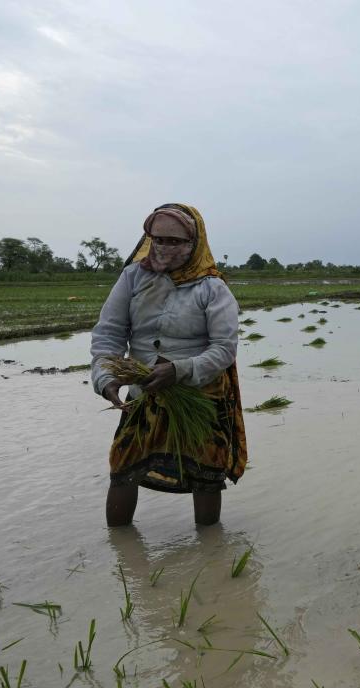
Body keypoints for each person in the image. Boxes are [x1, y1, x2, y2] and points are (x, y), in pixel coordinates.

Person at [90, 204, 246, 526]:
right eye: (158, 239)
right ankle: (119, 545)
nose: (164, 248)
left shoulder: (212, 288)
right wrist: (106, 377)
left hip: (198, 394)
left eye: (175, 241)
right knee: (123, 466)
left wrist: (179, 370)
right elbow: (109, 332)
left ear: (194, 243)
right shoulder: (134, 277)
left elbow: (223, 349)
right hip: (144, 391)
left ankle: (211, 553)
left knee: (205, 473)